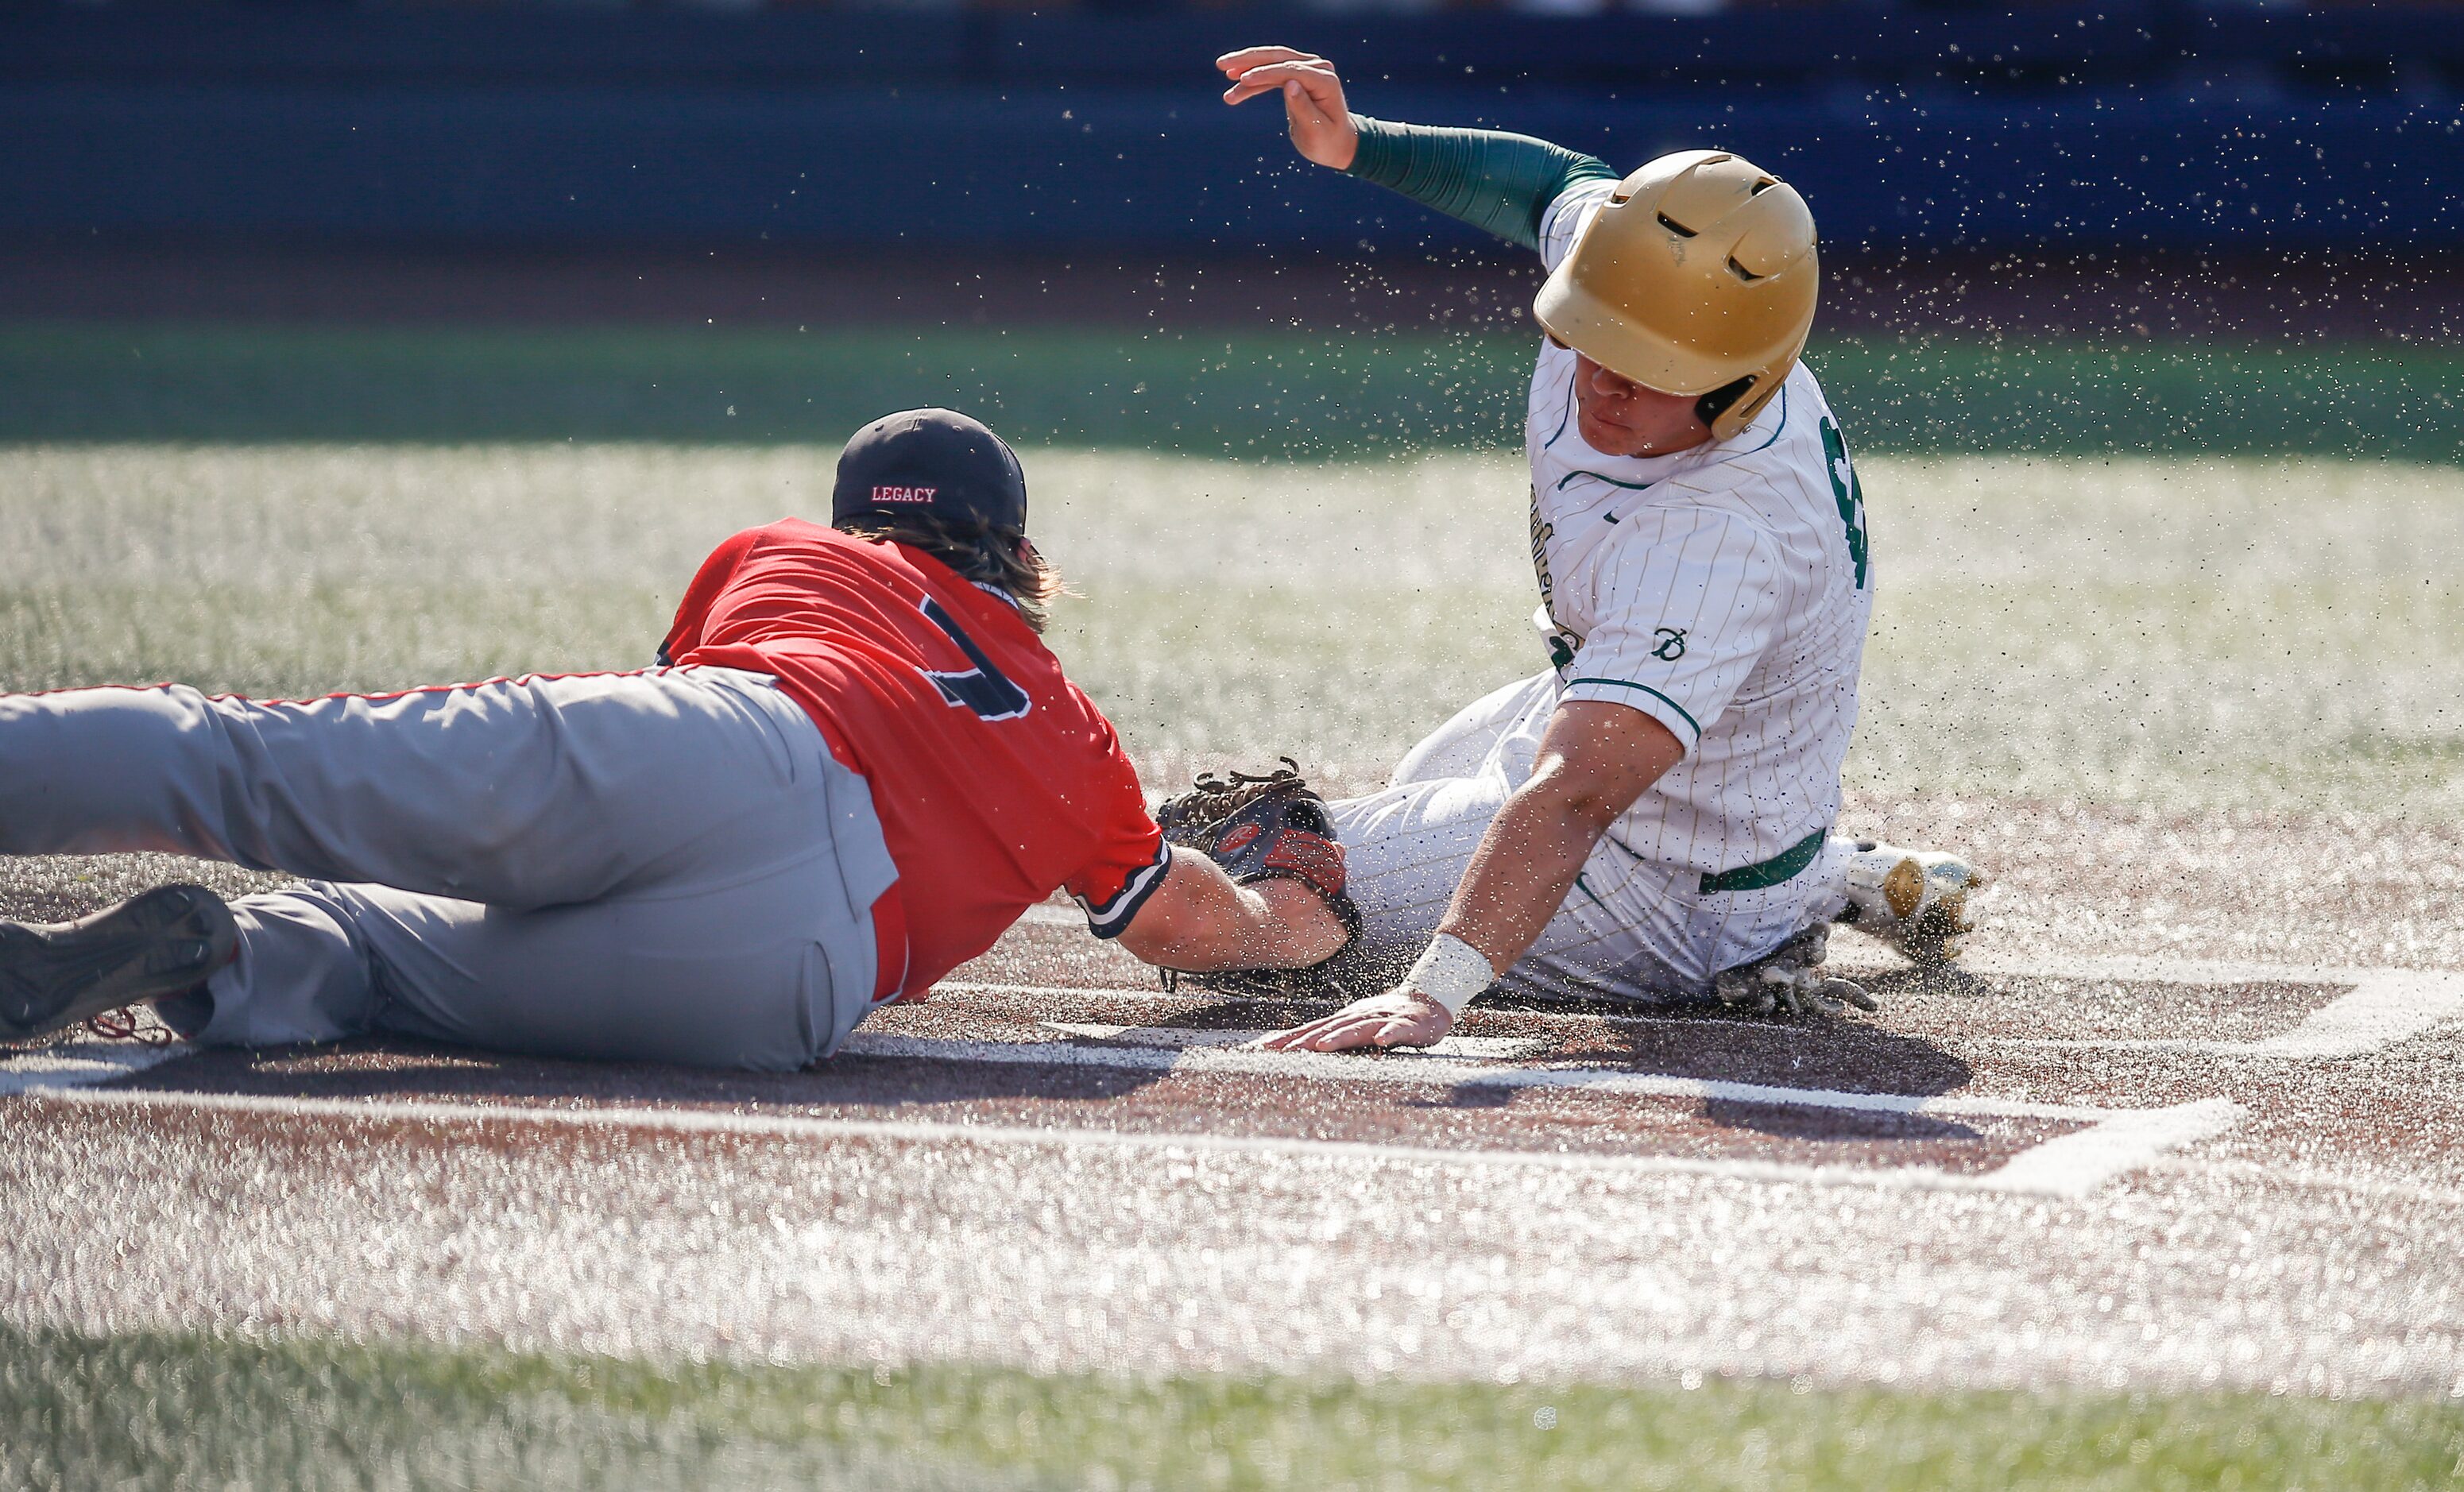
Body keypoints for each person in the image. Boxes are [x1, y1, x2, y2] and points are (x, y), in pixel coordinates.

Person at [0, 408, 1348, 1067]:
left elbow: (620, 793)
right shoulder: (1062, 720)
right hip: (793, 978)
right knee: (375, 959)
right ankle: (231, 958)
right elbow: (1182, 924)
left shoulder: (781, 555)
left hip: (739, 740)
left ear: (854, 516)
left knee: (242, 762)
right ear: (1016, 552)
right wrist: (1302, 918)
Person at [1208, 48, 1985, 1053]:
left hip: (1663, 879)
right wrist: (1358, 145)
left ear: (1741, 382)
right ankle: (1829, 876)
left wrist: (1432, 992)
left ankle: (1755, 929)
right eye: (1594, 333)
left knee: (1261, 872)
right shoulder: (1667, 284)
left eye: (1648, 365)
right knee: (1405, 791)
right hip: (1700, 763)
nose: (1601, 382)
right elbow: (1554, 187)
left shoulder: (1718, 532)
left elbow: (1574, 796)